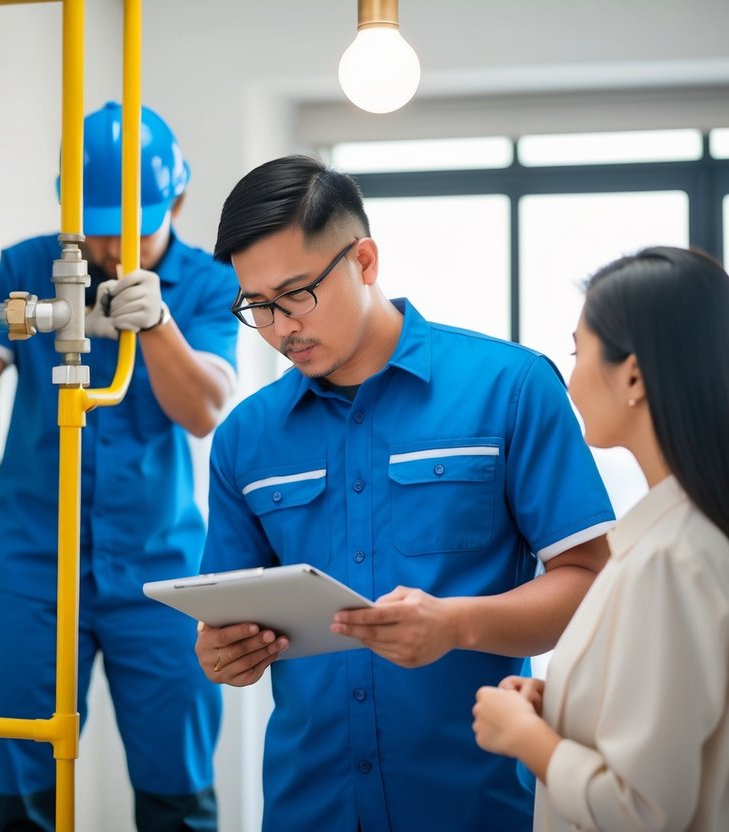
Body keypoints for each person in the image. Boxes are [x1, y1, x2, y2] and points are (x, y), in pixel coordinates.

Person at [194, 155, 615, 832]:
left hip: (472, 805)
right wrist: (222, 653)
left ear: (363, 261)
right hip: (309, 807)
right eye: (257, 306)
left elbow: (591, 584)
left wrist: (456, 625)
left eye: (296, 294)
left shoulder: (510, 388)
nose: (279, 329)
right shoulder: (245, 439)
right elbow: (230, 615)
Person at [0, 101, 238, 832]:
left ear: (176, 201)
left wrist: (159, 324)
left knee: (177, 782)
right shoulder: (29, 264)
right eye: (97, 223)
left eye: (131, 224)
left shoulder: (206, 283)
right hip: (31, 563)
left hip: (160, 569)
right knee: (16, 775)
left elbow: (204, 410)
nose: (111, 244)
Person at [471, 247, 729, 830]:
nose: (569, 377)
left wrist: (526, 738)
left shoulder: (669, 559)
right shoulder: (698, 535)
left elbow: (642, 810)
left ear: (634, 374)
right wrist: (559, 709)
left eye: (578, 351)